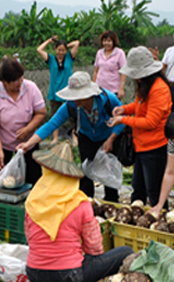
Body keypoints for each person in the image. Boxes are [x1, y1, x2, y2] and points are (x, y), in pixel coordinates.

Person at [24, 141, 133, 282]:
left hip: (34, 272)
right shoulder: (80, 203)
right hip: (69, 274)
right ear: (70, 176)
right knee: (126, 252)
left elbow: (29, 236)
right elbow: (94, 247)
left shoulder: (33, 199)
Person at [18, 71, 124, 202]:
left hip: (109, 137)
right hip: (86, 138)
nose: (75, 100)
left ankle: (112, 201)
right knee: (85, 172)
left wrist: (111, 139)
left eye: (79, 96)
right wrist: (29, 143)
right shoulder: (70, 106)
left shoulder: (108, 99)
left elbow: (122, 117)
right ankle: (86, 202)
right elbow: (51, 124)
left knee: (108, 173)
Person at [108, 47, 172, 207]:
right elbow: (139, 105)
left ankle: (161, 222)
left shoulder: (159, 89)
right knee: (138, 189)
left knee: (154, 191)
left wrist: (123, 120)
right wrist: (125, 109)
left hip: (155, 147)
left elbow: (151, 122)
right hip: (141, 145)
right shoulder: (145, 84)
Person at [0, 58, 46, 189]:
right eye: (16, 81)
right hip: (3, 143)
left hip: (28, 143)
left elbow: (41, 113)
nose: (20, 82)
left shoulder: (31, 88)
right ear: (5, 82)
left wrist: (28, 129)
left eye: (21, 78)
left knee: (33, 181)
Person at [37, 35, 80, 144]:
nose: (61, 52)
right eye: (59, 50)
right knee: (54, 115)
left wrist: (66, 45)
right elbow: (39, 49)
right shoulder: (51, 59)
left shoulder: (69, 57)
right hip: (54, 91)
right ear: (55, 50)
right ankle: (55, 138)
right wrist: (49, 40)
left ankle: (74, 137)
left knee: (72, 114)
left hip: (69, 91)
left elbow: (77, 43)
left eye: (63, 50)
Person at [92, 31, 127, 99]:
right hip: (99, 90)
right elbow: (96, 71)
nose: (106, 43)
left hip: (113, 90)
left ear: (113, 42)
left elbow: (124, 72)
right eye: (104, 41)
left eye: (109, 41)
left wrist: (121, 89)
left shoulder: (119, 53)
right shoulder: (99, 53)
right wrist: (93, 86)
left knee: (114, 109)